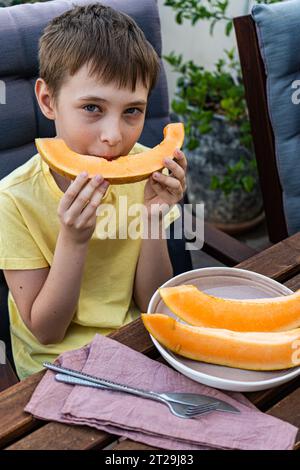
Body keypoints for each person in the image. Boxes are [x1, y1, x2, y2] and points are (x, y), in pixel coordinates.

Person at [0, 3, 187, 380]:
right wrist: (73, 238)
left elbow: (150, 301)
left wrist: (152, 219)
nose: (113, 137)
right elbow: (45, 330)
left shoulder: (146, 173)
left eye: (132, 111)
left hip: (136, 343)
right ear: (48, 101)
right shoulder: (12, 200)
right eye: (91, 107)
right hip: (56, 367)